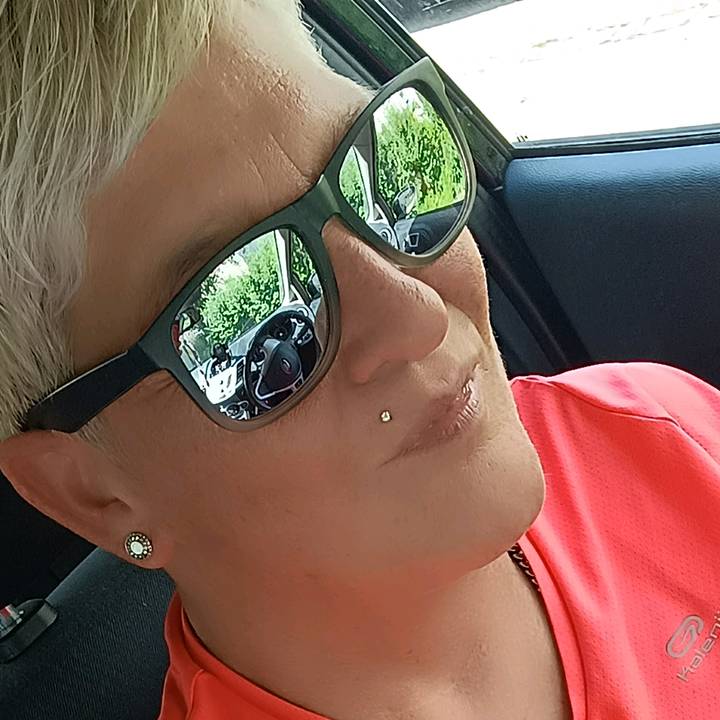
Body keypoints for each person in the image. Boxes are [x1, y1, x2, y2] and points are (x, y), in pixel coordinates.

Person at [0, 3, 718, 719]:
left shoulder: (654, 429)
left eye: (383, 168)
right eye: (239, 319)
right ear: (93, 492)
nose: (418, 314)